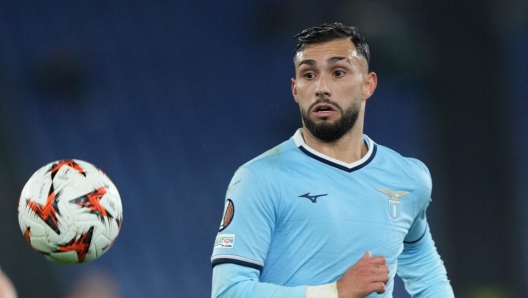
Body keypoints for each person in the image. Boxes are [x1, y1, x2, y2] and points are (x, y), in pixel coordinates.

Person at [211, 22, 454, 298]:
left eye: (338, 72)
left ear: (368, 85)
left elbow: (426, 273)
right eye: (309, 74)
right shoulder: (258, 178)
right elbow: (228, 292)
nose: (321, 87)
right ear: (295, 89)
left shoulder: (408, 178)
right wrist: (334, 292)